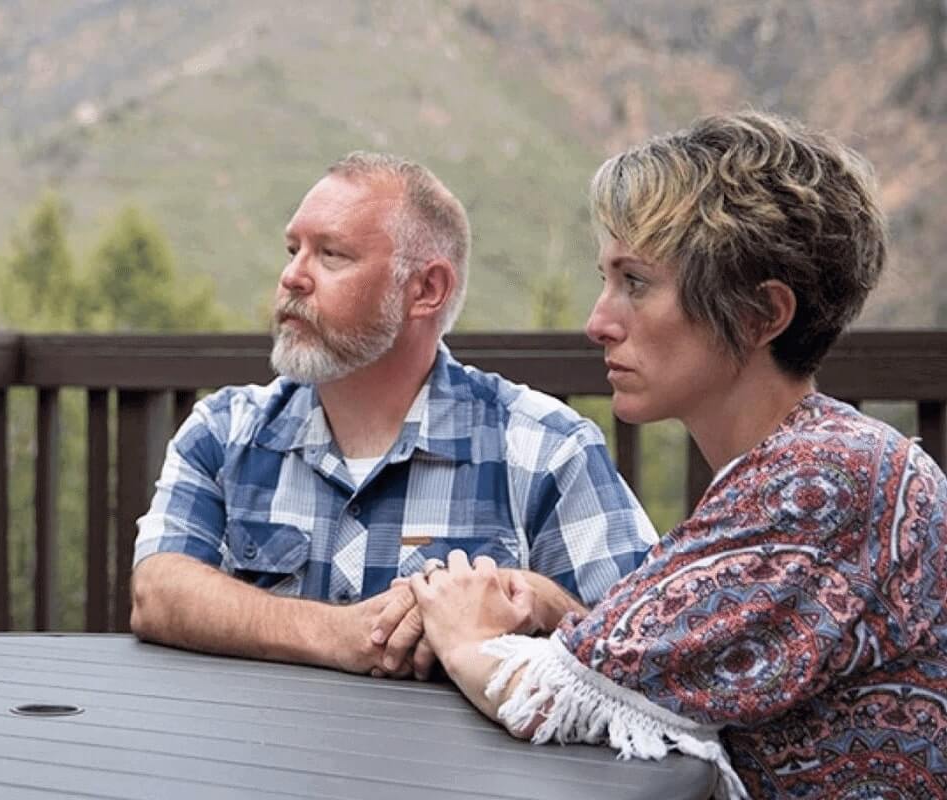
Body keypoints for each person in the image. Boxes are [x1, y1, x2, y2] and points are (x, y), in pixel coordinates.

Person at [403, 110, 946, 799]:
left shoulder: (826, 483)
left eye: (635, 282)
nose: (598, 322)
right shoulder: (802, 463)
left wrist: (461, 630)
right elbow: (666, 671)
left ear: (760, 314)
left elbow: (548, 697)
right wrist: (562, 613)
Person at [130, 152, 658, 678]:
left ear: (426, 290)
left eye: (331, 255)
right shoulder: (224, 432)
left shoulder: (546, 449)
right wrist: (336, 634)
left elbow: (648, 651)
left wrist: (538, 600)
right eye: (293, 250)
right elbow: (157, 591)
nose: (292, 277)